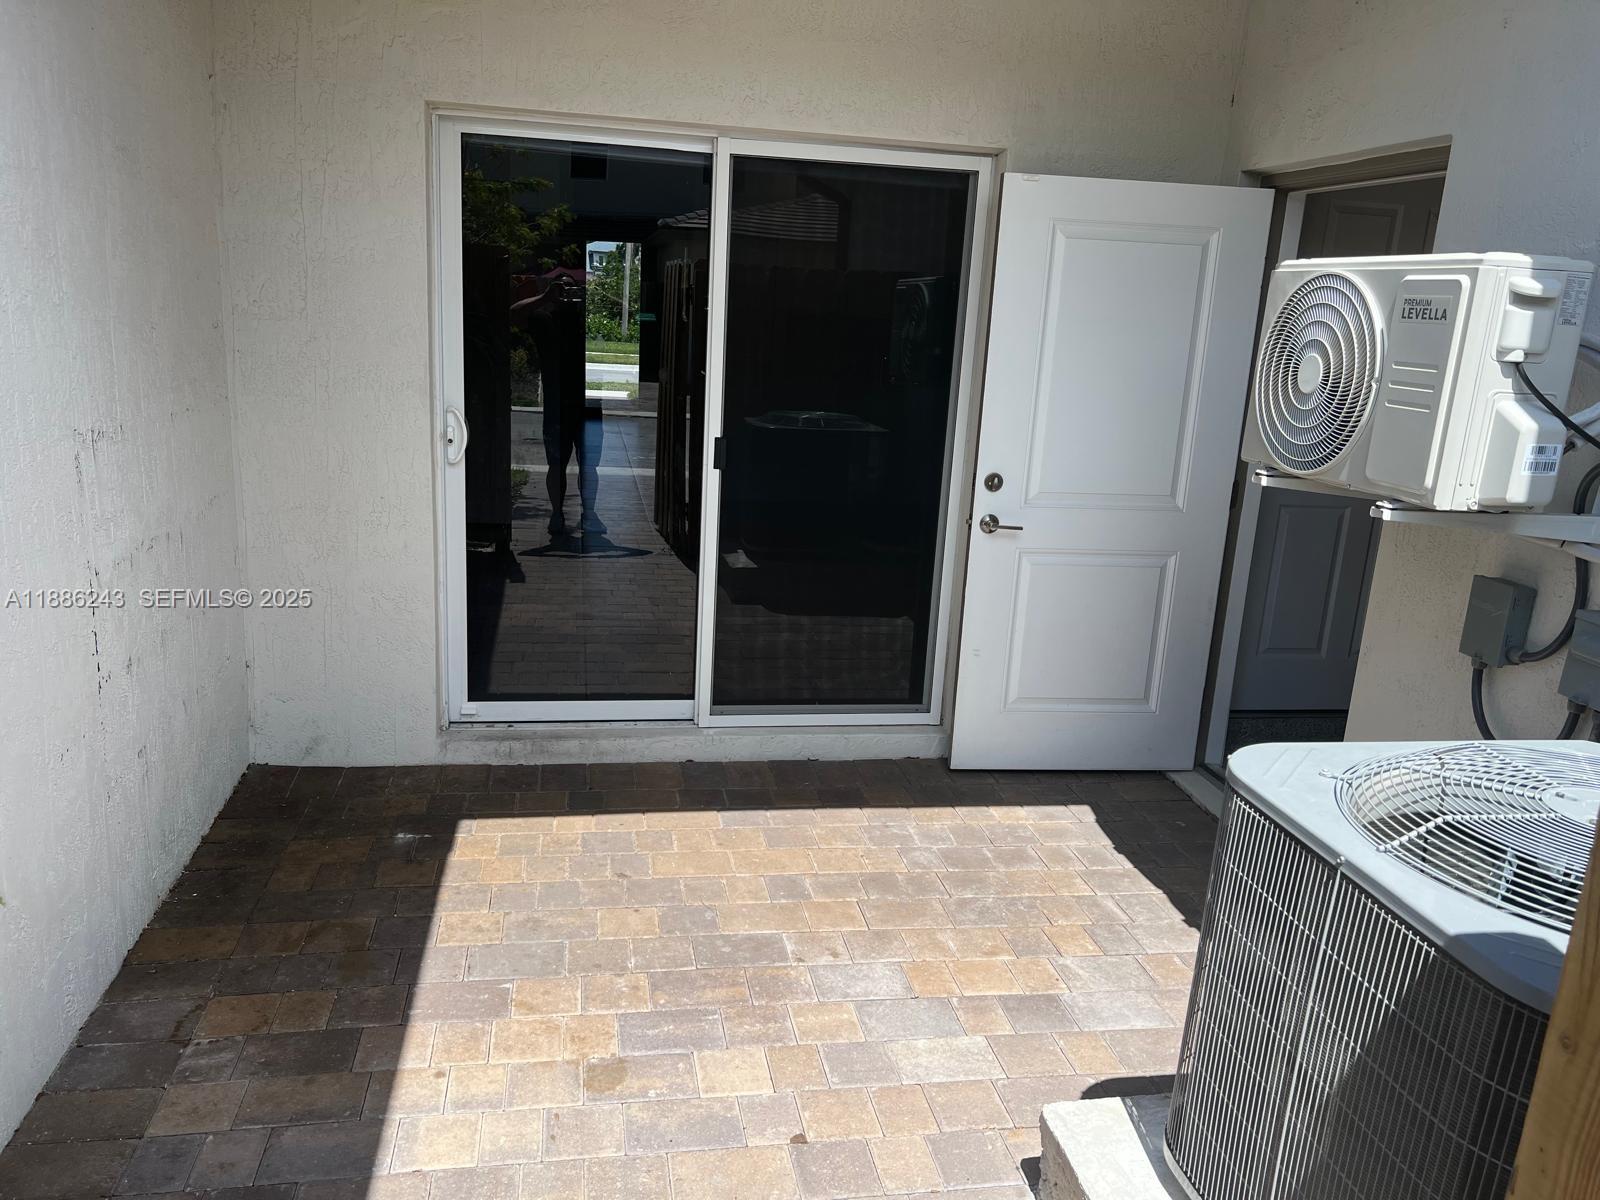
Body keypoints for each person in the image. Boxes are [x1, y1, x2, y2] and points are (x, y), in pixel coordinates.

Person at [513, 270, 604, 536]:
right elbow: (512, 315)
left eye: (571, 290)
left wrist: (593, 300)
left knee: (589, 464)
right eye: (561, 289)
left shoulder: (588, 319)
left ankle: (589, 512)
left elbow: (626, 312)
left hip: (588, 403)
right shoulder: (544, 318)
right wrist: (544, 296)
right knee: (556, 464)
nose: (566, 295)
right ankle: (556, 513)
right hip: (558, 404)